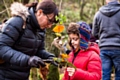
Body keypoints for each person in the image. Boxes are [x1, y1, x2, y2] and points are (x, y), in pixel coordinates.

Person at [0, 0, 59, 80]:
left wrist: (50, 57)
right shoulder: (18, 22)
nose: (50, 26)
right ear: (40, 12)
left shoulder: (41, 30)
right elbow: (2, 47)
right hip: (5, 75)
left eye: (53, 23)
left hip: (24, 76)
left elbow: (38, 51)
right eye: (50, 20)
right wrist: (27, 60)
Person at [92, 0, 120, 80]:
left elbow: (94, 33)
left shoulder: (98, 14)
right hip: (118, 47)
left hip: (104, 48)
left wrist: (103, 38)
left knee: (105, 75)